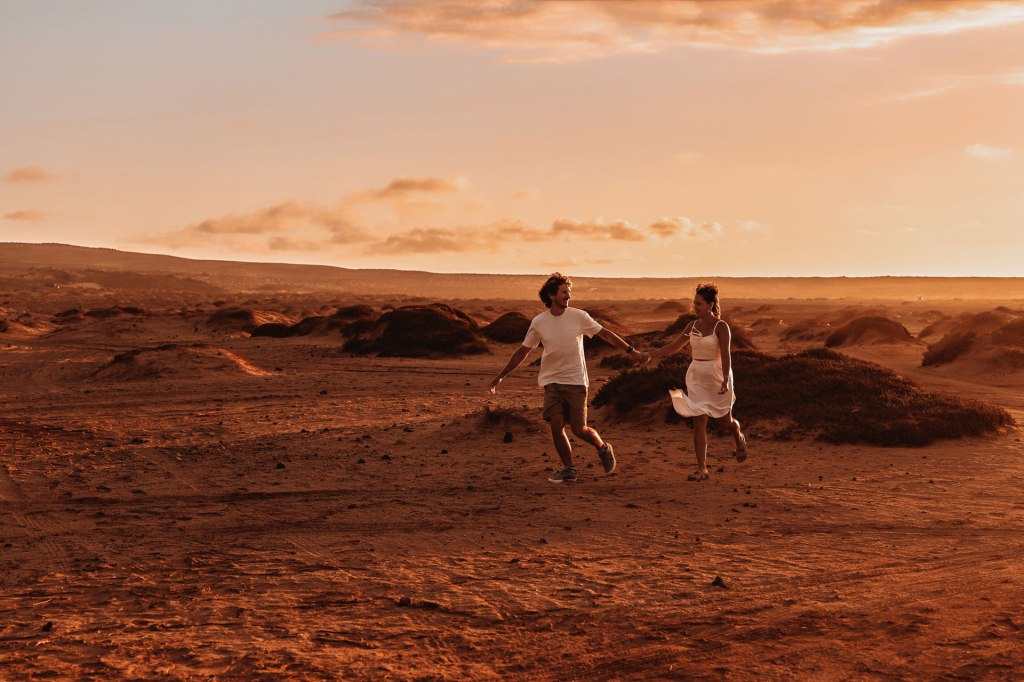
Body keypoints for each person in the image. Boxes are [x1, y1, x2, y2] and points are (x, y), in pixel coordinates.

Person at [488, 273, 645, 483]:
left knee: (579, 429)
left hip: (576, 381)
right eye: (564, 292)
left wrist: (631, 351)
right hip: (551, 381)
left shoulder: (579, 316)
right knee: (556, 423)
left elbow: (605, 334)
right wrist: (500, 376)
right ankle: (569, 469)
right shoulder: (539, 322)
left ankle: (602, 447)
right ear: (551, 295)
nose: (568, 296)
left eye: (569, 292)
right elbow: (523, 351)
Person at [647, 283, 748, 481]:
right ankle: (702, 469)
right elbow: (674, 347)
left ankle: (737, 434)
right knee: (699, 421)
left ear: (710, 305)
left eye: (699, 304)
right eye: (694, 303)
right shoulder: (691, 326)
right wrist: (650, 354)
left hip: (717, 375)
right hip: (696, 376)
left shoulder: (721, 326)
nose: (695, 307)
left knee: (725, 421)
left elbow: (726, 354)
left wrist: (726, 378)